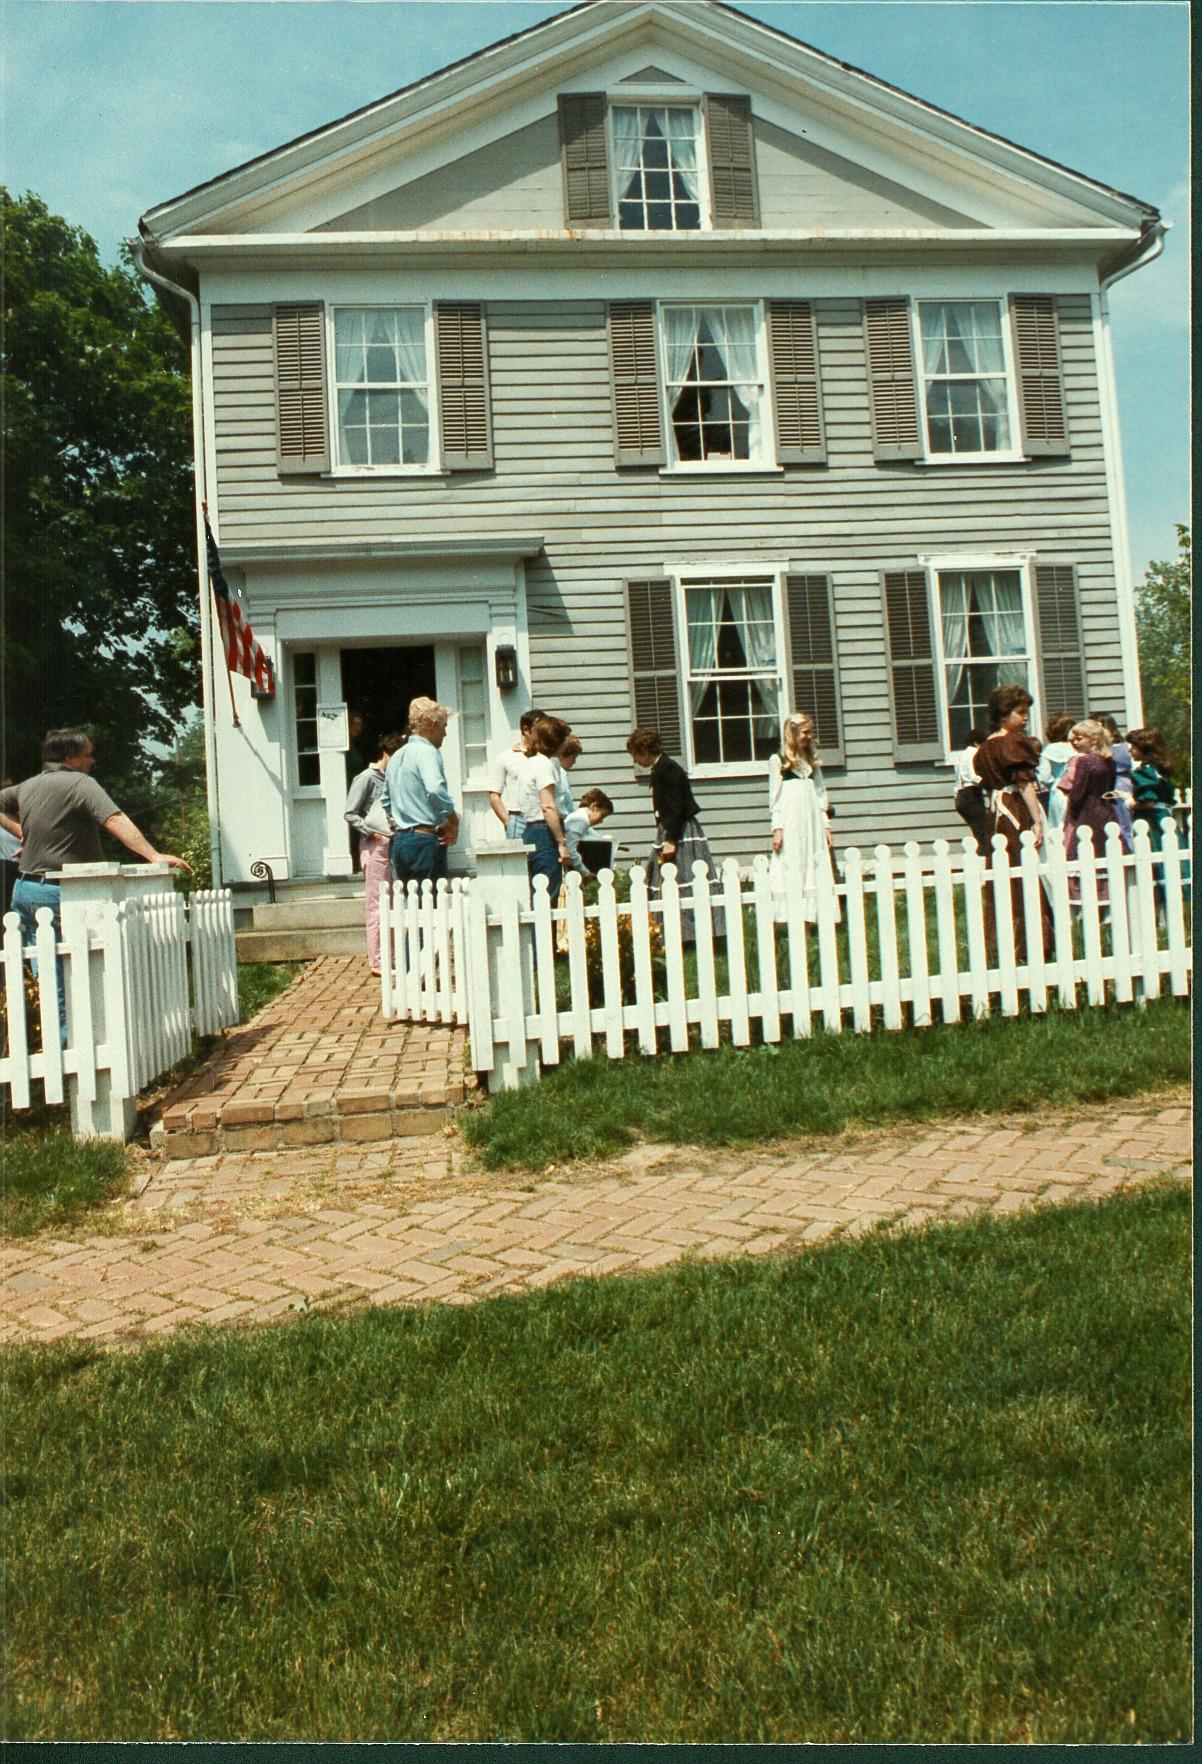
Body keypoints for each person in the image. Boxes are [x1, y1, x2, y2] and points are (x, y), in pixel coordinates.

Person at [0, 730, 191, 1041]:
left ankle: (52, 1048)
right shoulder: (81, 784)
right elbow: (114, 819)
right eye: (88, 753)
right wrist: (154, 855)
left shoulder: (29, 785)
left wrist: (25, 833)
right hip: (61, 894)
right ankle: (73, 1050)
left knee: (48, 978)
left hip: (25, 891)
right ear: (70, 758)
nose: (93, 759)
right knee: (83, 976)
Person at [973, 685, 1052, 961]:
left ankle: (1006, 942)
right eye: (1020, 712)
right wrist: (1036, 820)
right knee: (1024, 867)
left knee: (1005, 869)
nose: (1026, 718)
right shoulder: (1012, 743)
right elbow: (1024, 784)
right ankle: (1031, 942)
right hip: (1015, 809)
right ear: (1004, 714)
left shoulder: (985, 747)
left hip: (996, 813)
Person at [625, 727, 724, 942]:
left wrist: (671, 840)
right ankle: (674, 932)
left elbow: (678, 807)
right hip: (668, 828)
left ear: (644, 750)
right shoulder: (660, 769)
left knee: (686, 876)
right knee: (668, 879)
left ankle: (695, 932)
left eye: (635, 754)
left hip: (679, 830)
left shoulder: (670, 769)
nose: (635, 759)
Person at [768, 712, 840, 923]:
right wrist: (778, 828)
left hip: (812, 821)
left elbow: (820, 795)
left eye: (810, 732)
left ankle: (815, 914)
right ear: (792, 733)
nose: (809, 737)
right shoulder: (779, 760)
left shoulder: (811, 761)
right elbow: (775, 798)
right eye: (805, 732)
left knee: (814, 857)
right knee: (793, 858)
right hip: (791, 819)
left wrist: (826, 825)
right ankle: (792, 915)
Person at [345, 730, 404, 976]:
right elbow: (351, 813)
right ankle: (377, 959)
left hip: (393, 843)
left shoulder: (395, 778)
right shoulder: (367, 778)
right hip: (375, 845)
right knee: (376, 903)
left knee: (393, 900)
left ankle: (392, 956)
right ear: (386, 754)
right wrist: (371, 833)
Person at [385, 698, 459, 888]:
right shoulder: (427, 752)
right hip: (424, 842)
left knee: (410, 907)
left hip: (400, 842)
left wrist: (399, 820)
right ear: (433, 725)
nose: (445, 733)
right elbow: (435, 789)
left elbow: (386, 799)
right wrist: (451, 819)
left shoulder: (397, 756)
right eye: (444, 726)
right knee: (431, 906)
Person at [1059, 719, 1122, 904]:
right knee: (1104, 853)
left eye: (1079, 739)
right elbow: (1110, 786)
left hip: (1088, 812)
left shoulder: (1085, 761)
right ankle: (1107, 899)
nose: (1075, 743)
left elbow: (1078, 793)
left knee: (1083, 853)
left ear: (1094, 739)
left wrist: (1072, 809)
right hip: (1106, 810)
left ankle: (1087, 899)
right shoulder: (1108, 760)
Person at [519, 715, 573, 897]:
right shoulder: (544, 765)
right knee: (548, 893)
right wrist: (561, 842)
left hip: (531, 830)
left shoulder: (531, 762)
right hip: (545, 831)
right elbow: (548, 806)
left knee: (539, 892)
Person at [487, 709, 540, 841]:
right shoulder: (506, 757)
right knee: (519, 861)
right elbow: (494, 795)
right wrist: (508, 822)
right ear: (526, 730)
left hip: (543, 818)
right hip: (519, 819)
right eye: (540, 729)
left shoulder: (546, 758)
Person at [1090, 711, 1135, 847]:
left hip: (1121, 786)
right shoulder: (1097, 749)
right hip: (1108, 786)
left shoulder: (1124, 747)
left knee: (1125, 823)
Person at [1036, 714, 1076, 836]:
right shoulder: (1076, 747)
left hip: (1058, 789)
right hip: (1076, 788)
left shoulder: (1049, 750)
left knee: (1057, 827)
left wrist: (1053, 780)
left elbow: (1044, 776)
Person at [563, 787, 615, 880]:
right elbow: (571, 851)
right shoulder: (580, 820)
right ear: (594, 807)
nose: (601, 821)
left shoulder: (581, 818)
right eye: (602, 816)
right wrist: (586, 873)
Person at [951, 727, 988, 854]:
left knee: (977, 832)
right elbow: (974, 776)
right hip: (972, 794)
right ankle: (984, 861)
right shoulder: (974, 753)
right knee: (984, 833)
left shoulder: (961, 755)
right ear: (977, 743)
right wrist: (990, 785)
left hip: (961, 795)